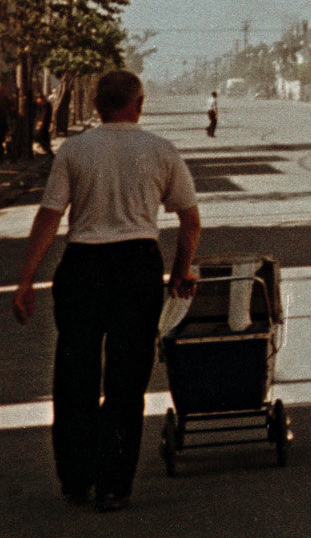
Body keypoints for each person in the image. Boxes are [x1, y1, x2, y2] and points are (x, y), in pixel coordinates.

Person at [12, 71, 200, 513]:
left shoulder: (76, 150)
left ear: (96, 106)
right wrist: (179, 272)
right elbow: (190, 221)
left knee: (75, 373)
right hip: (137, 268)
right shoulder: (161, 150)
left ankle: (76, 477)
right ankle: (115, 485)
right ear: (139, 104)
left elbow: (50, 216)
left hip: (84, 267)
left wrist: (26, 279)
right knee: (126, 380)